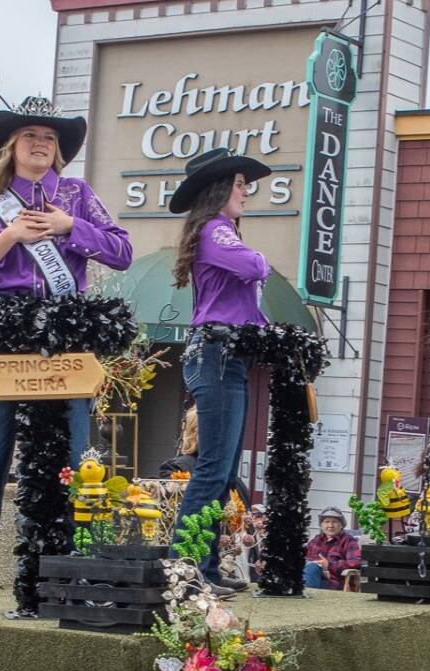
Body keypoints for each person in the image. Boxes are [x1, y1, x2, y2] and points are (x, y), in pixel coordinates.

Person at [0, 96, 133, 614]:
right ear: (12, 145)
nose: (41, 144)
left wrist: (70, 228)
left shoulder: (76, 195)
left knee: (77, 465)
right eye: (31, 136)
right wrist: (8, 237)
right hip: (4, 342)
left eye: (50, 138)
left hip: (64, 342)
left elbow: (122, 250)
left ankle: (78, 578)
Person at [167, 147, 272, 597]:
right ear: (220, 189)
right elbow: (253, 265)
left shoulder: (215, 231)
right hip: (217, 355)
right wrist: (262, 260)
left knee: (223, 469)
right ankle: (186, 566)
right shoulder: (217, 230)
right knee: (213, 468)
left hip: (224, 356)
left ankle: (203, 566)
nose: (245, 192)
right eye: (239, 184)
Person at [159, 405, 250, 590]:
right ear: (195, 433)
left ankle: (210, 573)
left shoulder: (228, 474)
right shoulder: (177, 467)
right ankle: (196, 575)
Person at [303, 507, 363, 590]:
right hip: (312, 577)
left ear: (341, 525)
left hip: (335, 583)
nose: (330, 525)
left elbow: (355, 563)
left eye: (334, 522)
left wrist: (329, 565)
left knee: (311, 568)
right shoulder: (315, 541)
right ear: (321, 525)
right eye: (327, 522)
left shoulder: (348, 541)